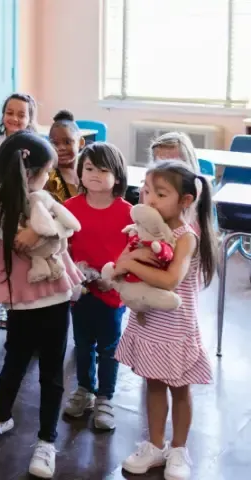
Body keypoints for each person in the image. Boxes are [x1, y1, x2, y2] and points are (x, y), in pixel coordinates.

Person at [0, 131, 84, 479]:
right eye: (46, 171)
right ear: (29, 172)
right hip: (21, 300)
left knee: (51, 371)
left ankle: (47, 439)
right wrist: (36, 232)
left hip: (55, 296)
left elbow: (68, 226)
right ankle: (1, 416)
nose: (49, 179)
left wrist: (44, 231)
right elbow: (18, 242)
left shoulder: (42, 198)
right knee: (13, 362)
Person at [113, 161, 216, 480]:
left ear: (185, 200)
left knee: (180, 389)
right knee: (153, 385)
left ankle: (179, 449)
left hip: (177, 330)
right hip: (148, 324)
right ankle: (155, 445)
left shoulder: (186, 237)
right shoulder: (142, 233)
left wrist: (130, 261)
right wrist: (127, 260)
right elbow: (119, 269)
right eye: (146, 191)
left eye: (160, 193)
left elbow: (170, 279)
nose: (150, 200)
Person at [62, 142, 131, 430]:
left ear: (117, 176)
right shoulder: (69, 208)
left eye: (103, 170)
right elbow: (61, 247)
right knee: (82, 344)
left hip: (113, 292)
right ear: (79, 172)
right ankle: (84, 389)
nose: (95, 175)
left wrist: (113, 277)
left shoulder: (128, 212)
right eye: (89, 168)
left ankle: (105, 397)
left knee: (109, 347)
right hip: (80, 290)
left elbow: (134, 253)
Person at [0, 93, 39, 328]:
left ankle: (28, 305)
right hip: (2, 210)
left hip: (26, 210)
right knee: (3, 260)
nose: (14, 118)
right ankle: (6, 307)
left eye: (21, 114)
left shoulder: (35, 146)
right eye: (10, 112)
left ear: (30, 119)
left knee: (25, 260)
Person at [46, 110, 85, 203]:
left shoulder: (89, 171)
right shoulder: (49, 178)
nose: (60, 148)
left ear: (81, 142)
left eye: (67, 142)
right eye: (55, 143)